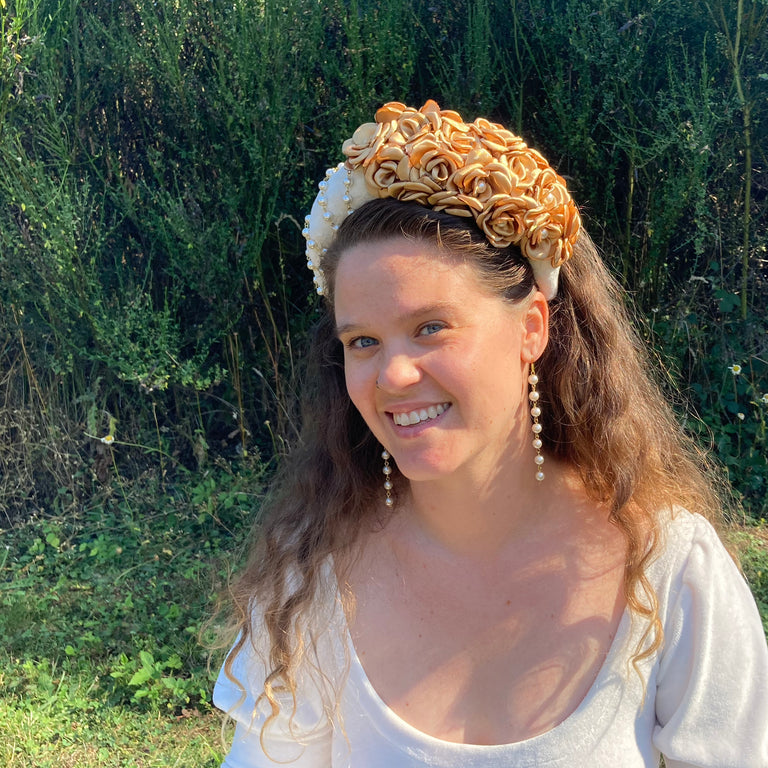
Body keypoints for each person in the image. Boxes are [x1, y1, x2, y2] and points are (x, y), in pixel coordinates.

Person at [212, 101, 768, 767]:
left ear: (532, 327)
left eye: (430, 327)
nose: (391, 373)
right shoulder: (310, 586)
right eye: (362, 340)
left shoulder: (670, 573)